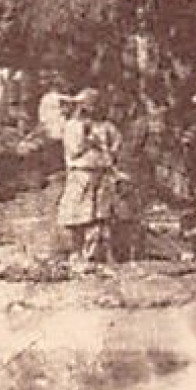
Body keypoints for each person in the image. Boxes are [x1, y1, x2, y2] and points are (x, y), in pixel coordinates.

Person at [57, 88, 120, 264]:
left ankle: (98, 253)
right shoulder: (73, 126)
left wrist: (107, 151)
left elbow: (116, 146)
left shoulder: (106, 127)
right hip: (81, 173)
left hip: (102, 172)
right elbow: (74, 151)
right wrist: (87, 139)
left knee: (100, 215)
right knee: (77, 214)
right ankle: (76, 251)